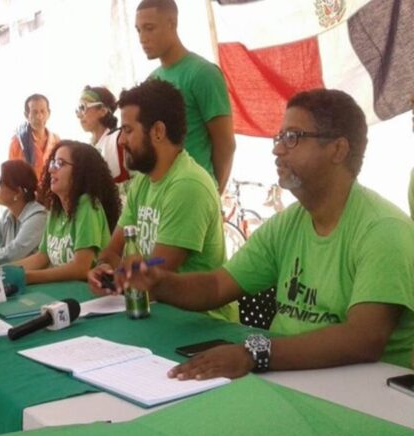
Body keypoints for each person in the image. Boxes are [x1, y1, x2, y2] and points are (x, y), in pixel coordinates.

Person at [119, 89, 414, 379]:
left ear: (338, 149)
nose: (277, 150)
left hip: (362, 393)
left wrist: (255, 354)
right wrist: (159, 283)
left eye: (293, 137)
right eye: (279, 137)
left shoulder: (382, 230)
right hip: (289, 376)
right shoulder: (287, 224)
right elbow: (218, 286)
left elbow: (363, 339)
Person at [88, 79, 233, 321]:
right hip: (158, 313)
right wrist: (103, 268)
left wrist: (118, 277)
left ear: (158, 131)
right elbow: (113, 250)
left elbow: (154, 277)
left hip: (201, 324)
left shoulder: (188, 186)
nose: (121, 141)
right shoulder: (143, 182)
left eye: (128, 130)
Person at [0, 141, 120, 284]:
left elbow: (80, 268)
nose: (51, 169)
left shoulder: (87, 205)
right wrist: (1, 270)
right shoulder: (55, 210)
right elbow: (41, 257)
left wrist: (24, 277)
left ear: (80, 172)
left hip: (89, 293)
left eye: (60, 163)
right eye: (53, 163)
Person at [136, 0, 235, 193]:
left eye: (149, 28)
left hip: (195, 190)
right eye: (138, 30)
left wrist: (213, 194)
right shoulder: (151, 80)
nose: (142, 38)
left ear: (171, 23)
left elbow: (225, 144)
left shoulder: (203, 73)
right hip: (162, 193)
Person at [0, 160, 48, 264]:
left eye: (0, 181)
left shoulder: (38, 217)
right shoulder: (7, 215)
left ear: (18, 192)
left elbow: (12, 253)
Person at [76, 85, 131, 195]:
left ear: (102, 110)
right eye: (77, 109)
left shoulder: (119, 139)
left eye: (83, 107)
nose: (79, 115)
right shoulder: (87, 149)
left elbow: (139, 180)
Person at [9, 94, 61, 179]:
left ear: (49, 113)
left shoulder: (56, 141)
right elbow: (11, 174)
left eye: (42, 111)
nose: (39, 116)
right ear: (26, 115)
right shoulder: (17, 142)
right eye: (34, 112)